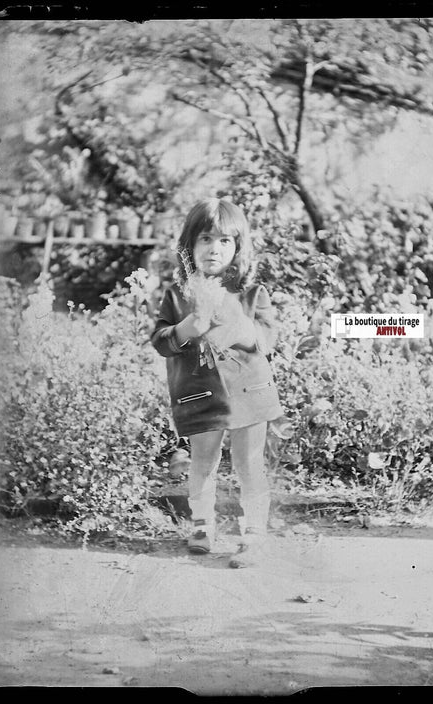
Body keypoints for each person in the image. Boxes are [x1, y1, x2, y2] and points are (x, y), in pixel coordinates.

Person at [151, 198, 283, 568]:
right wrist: (183, 329)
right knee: (203, 461)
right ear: (190, 246)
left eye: (226, 241)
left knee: (249, 463)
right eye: (206, 238)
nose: (215, 248)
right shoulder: (178, 297)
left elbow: (268, 338)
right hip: (200, 395)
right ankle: (202, 525)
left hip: (249, 394)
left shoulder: (252, 293)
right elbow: (161, 340)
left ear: (238, 248)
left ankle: (253, 532)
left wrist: (243, 327)